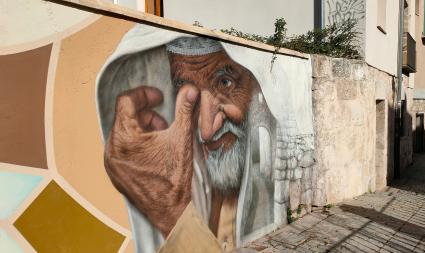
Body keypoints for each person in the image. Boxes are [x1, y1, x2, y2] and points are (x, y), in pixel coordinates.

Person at [96, 24, 313, 253]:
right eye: (185, 89)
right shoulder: (203, 188)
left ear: (260, 91)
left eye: (225, 82)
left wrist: (173, 214)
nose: (206, 131)